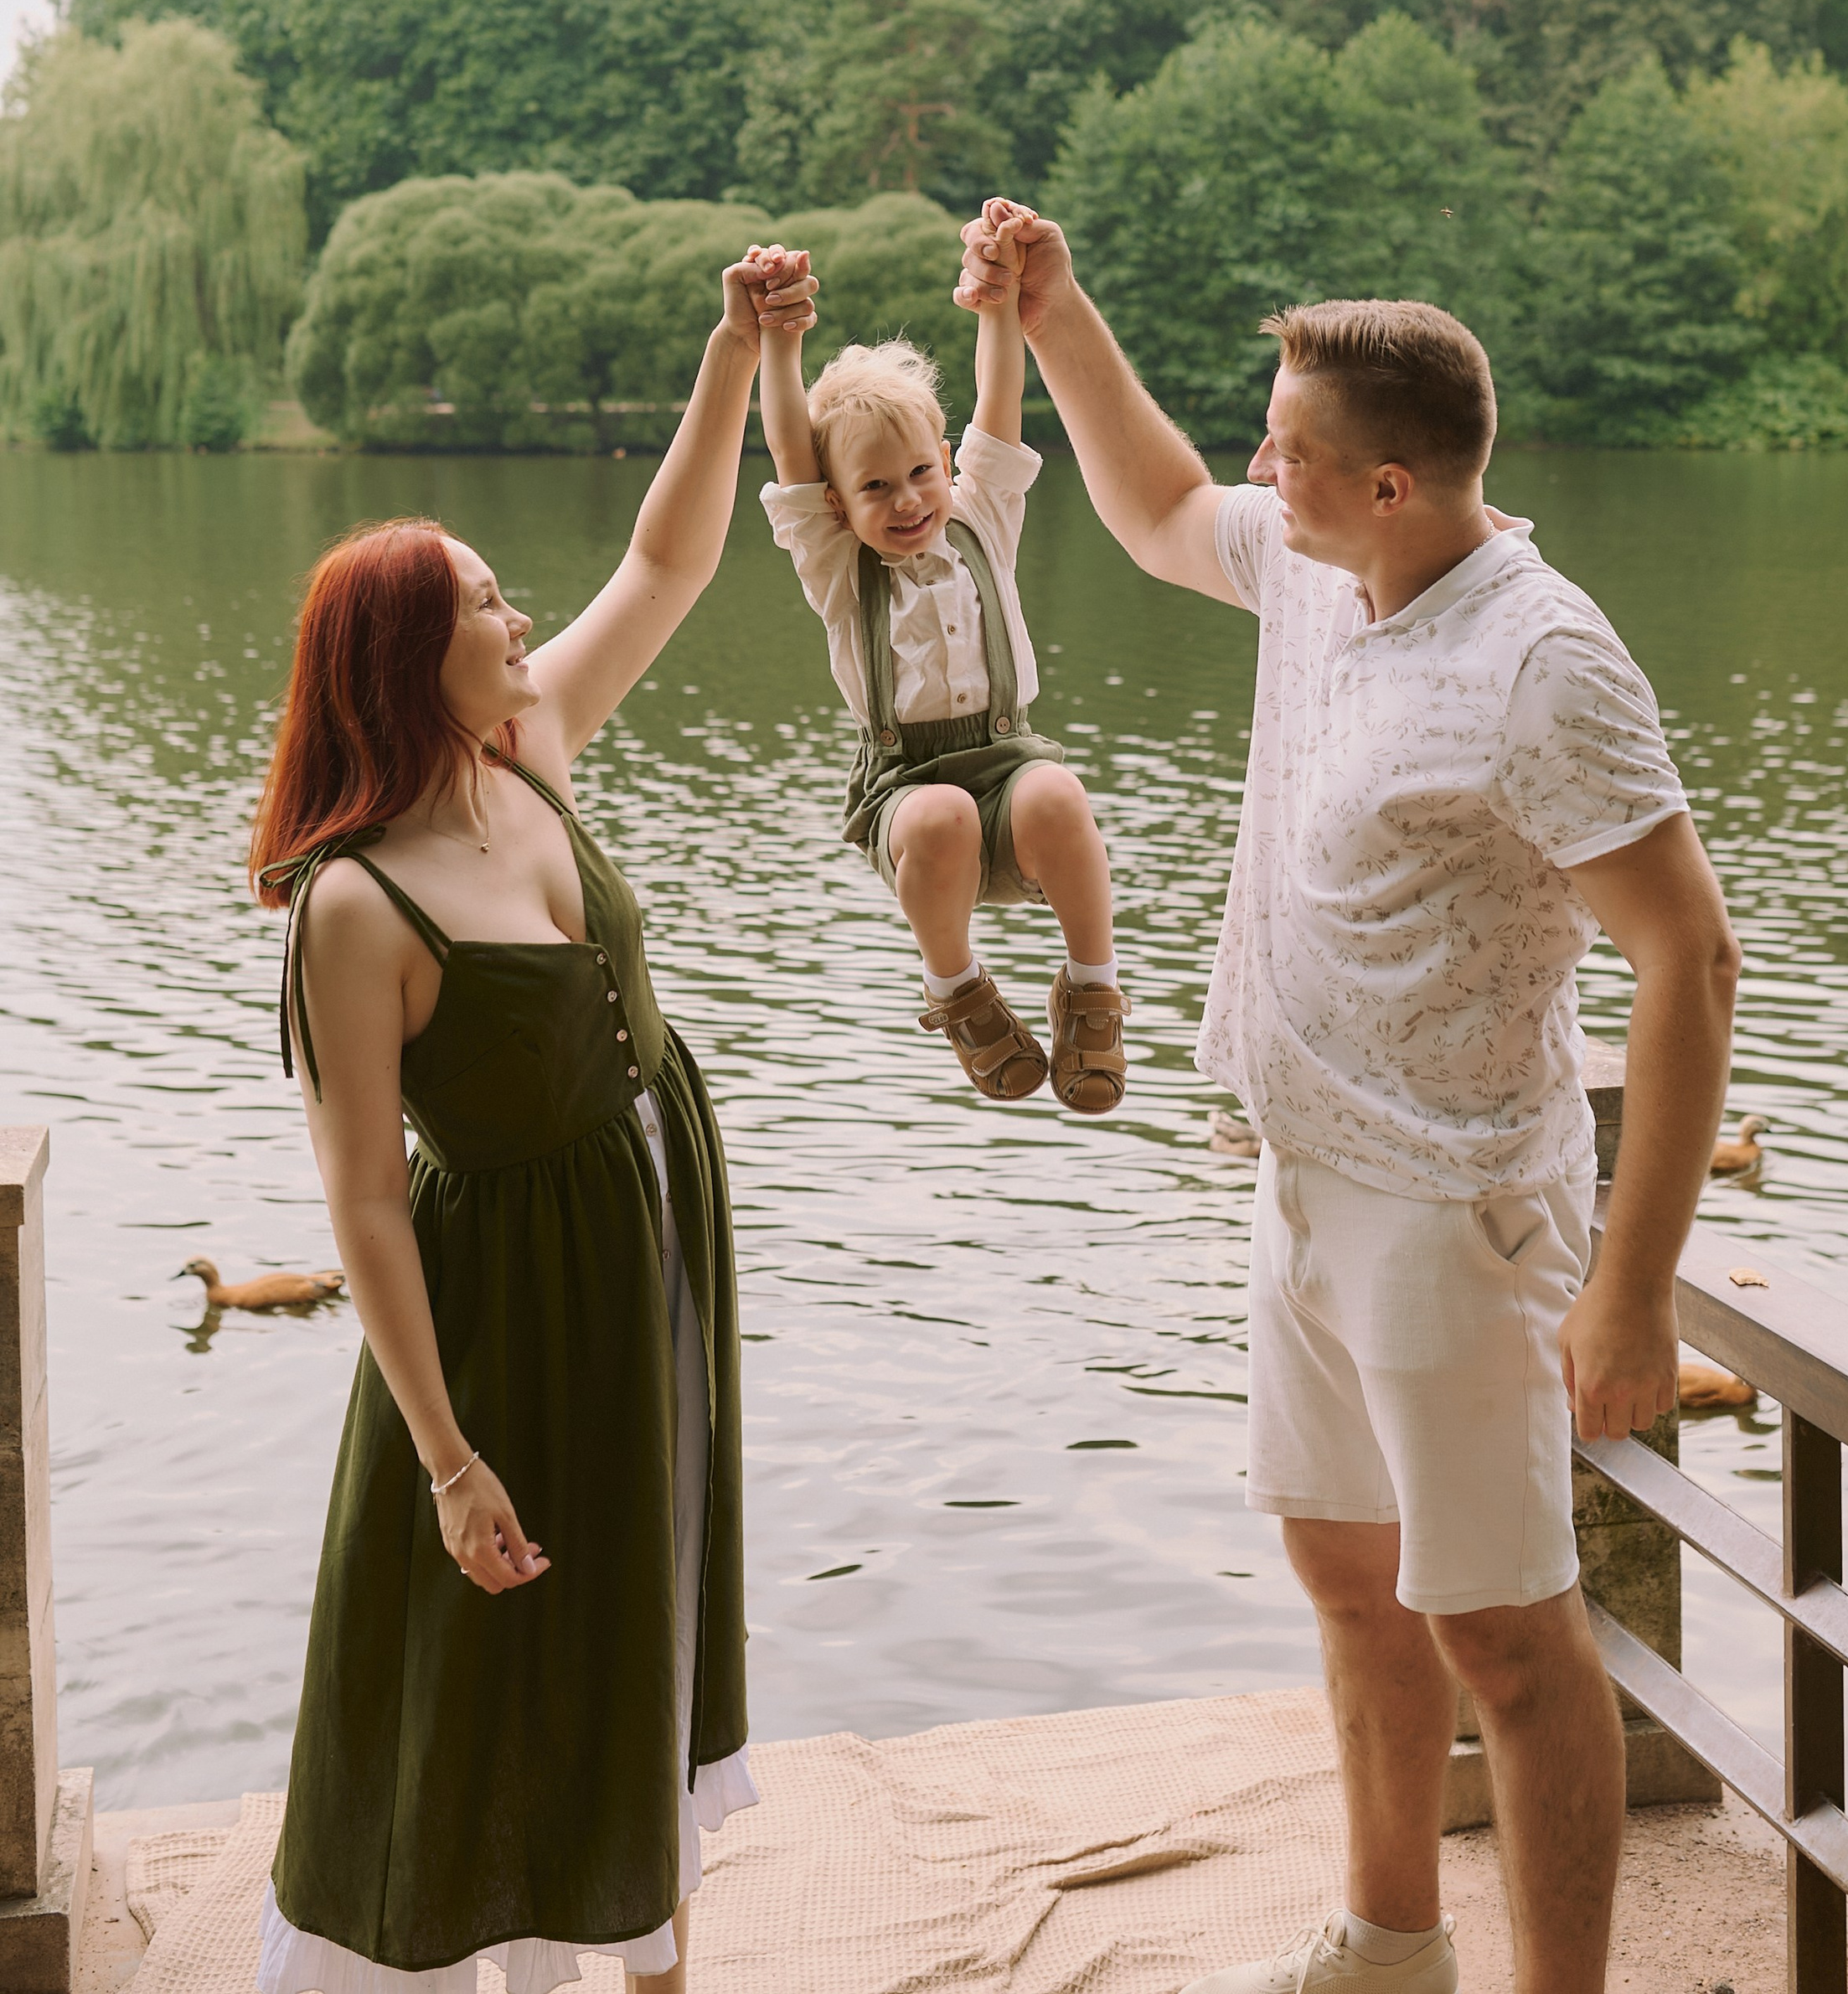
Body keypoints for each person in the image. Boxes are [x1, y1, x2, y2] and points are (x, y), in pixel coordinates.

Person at [956, 213, 1740, 1994]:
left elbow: (1688, 960)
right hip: (1300, 1174)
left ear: (1390, 483)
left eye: (1286, 451)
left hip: (1454, 1213)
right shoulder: (1323, 569)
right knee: (1341, 1570)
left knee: (1509, 1640)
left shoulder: (1540, 661)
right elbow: (1154, 507)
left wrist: (1629, 1288)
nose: (1258, 470)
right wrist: (1057, 310)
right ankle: (1390, 1943)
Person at [249, 251, 811, 1994]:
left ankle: (653, 1969)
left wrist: (730, 354)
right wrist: (447, 1455)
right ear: (416, 656)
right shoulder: (356, 904)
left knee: (639, 1611)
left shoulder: (531, 746)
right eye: (487, 604)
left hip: (650, 1236)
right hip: (508, 1302)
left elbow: (668, 559)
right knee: (505, 1649)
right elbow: (360, 1202)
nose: (519, 620)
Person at [751, 219, 1126, 1113]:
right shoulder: (839, 565)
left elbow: (1000, 399)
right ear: (836, 503)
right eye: (875, 487)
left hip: (1008, 766)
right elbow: (784, 447)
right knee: (944, 814)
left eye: (921, 472)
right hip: (910, 791)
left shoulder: (981, 520)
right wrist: (779, 338)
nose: (909, 499)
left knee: (1058, 793)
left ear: (949, 464)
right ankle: (957, 988)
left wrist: (999, 304)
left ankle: (1092, 987)